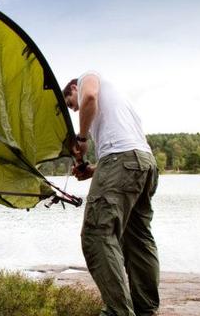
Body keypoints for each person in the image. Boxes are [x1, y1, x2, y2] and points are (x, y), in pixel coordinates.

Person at [63, 71, 160, 316]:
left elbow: (89, 98)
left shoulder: (88, 78)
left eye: (70, 103)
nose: (74, 110)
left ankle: (118, 312)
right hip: (145, 164)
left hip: (122, 161)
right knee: (138, 238)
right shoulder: (120, 103)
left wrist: (82, 138)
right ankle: (146, 310)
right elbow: (131, 151)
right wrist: (93, 170)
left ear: (74, 86)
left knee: (97, 234)